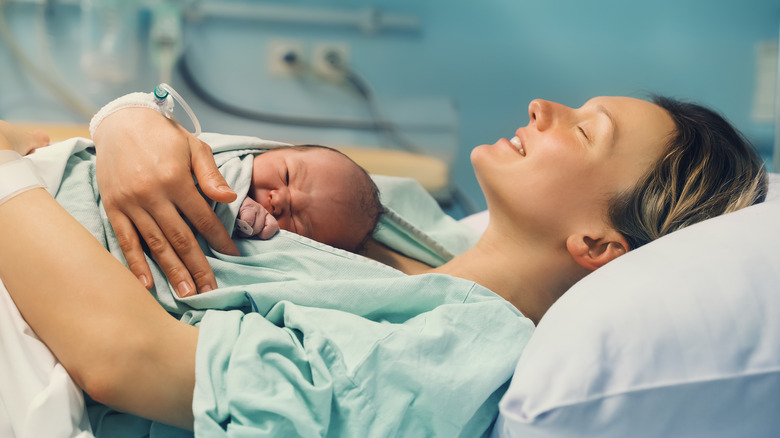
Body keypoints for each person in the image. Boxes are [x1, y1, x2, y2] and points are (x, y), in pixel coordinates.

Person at [0, 95, 767, 435]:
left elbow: (127, 358)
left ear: (599, 246)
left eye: (586, 129)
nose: (543, 107)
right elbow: (123, 155)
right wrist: (127, 118)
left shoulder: (453, 356)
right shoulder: (409, 222)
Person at [233, 144, 382, 254]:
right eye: (287, 176)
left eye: (299, 224)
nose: (278, 200)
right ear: (272, 150)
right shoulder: (225, 158)